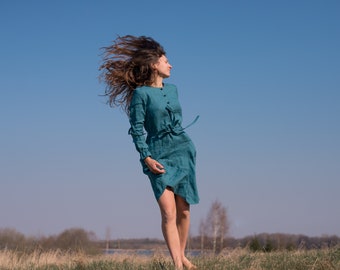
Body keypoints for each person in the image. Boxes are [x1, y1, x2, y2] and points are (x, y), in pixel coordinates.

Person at [99, 35, 199, 270]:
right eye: (166, 61)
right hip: (157, 154)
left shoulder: (173, 90)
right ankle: (177, 264)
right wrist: (146, 157)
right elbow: (136, 130)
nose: (170, 65)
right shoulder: (140, 95)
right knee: (168, 212)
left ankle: (182, 255)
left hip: (182, 150)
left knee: (184, 210)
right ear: (154, 65)